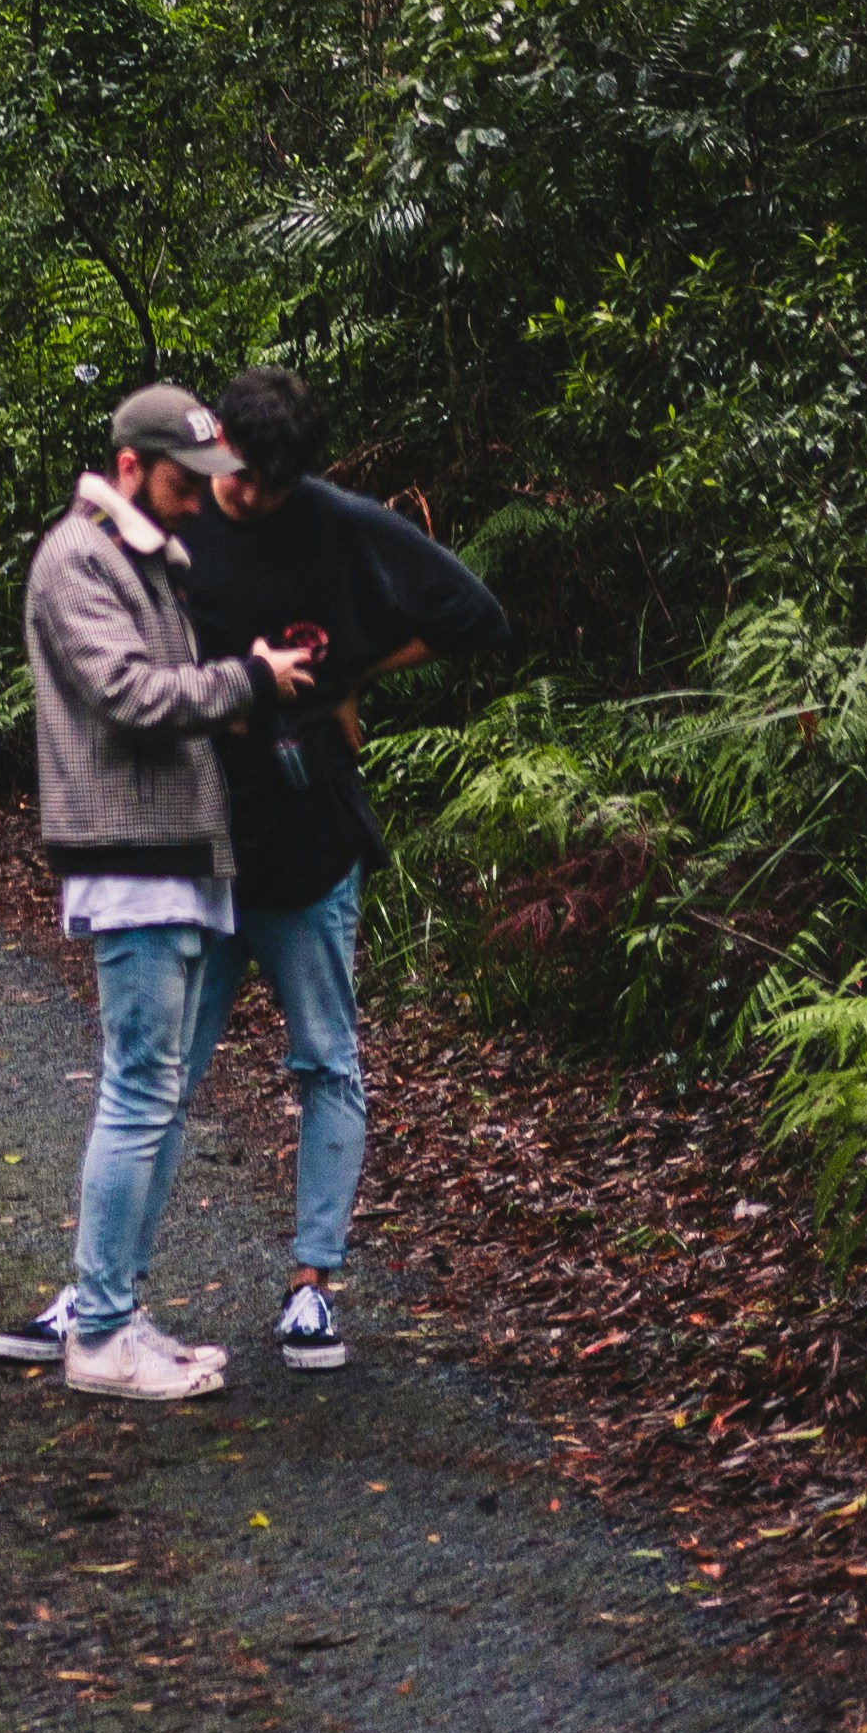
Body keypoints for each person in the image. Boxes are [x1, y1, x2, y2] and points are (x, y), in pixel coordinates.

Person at [0, 377, 320, 1404]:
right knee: (138, 1096)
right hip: (130, 860)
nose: (196, 500)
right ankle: (94, 1331)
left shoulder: (138, 560)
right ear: (130, 466)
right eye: (184, 482)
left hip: (170, 858)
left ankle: (116, 1311)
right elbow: (129, 699)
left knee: (155, 1095)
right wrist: (248, 680)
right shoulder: (77, 560)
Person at [174, 359, 509, 1370]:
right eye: (239, 479)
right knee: (160, 1073)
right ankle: (102, 1294)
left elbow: (473, 618)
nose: (251, 501)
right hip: (195, 836)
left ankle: (311, 1285)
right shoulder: (177, 506)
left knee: (325, 1058)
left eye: (271, 488)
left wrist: (348, 672)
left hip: (307, 829)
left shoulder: (337, 523)